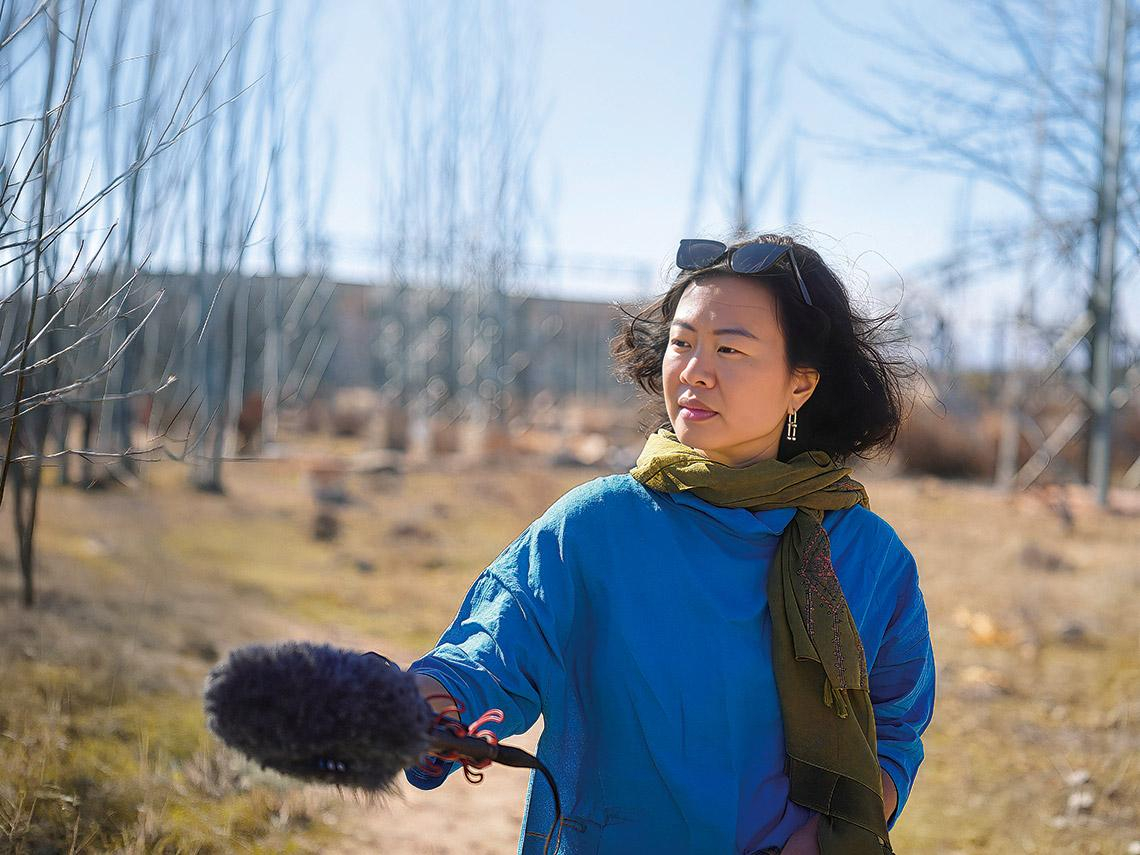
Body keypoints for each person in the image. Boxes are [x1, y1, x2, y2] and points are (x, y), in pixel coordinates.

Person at [405, 234, 936, 855]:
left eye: (730, 349)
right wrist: (420, 704)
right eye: (682, 343)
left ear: (801, 384)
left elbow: (895, 725)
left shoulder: (866, 557)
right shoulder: (597, 528)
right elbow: (489, 655)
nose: (694, 371)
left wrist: (828, 838)